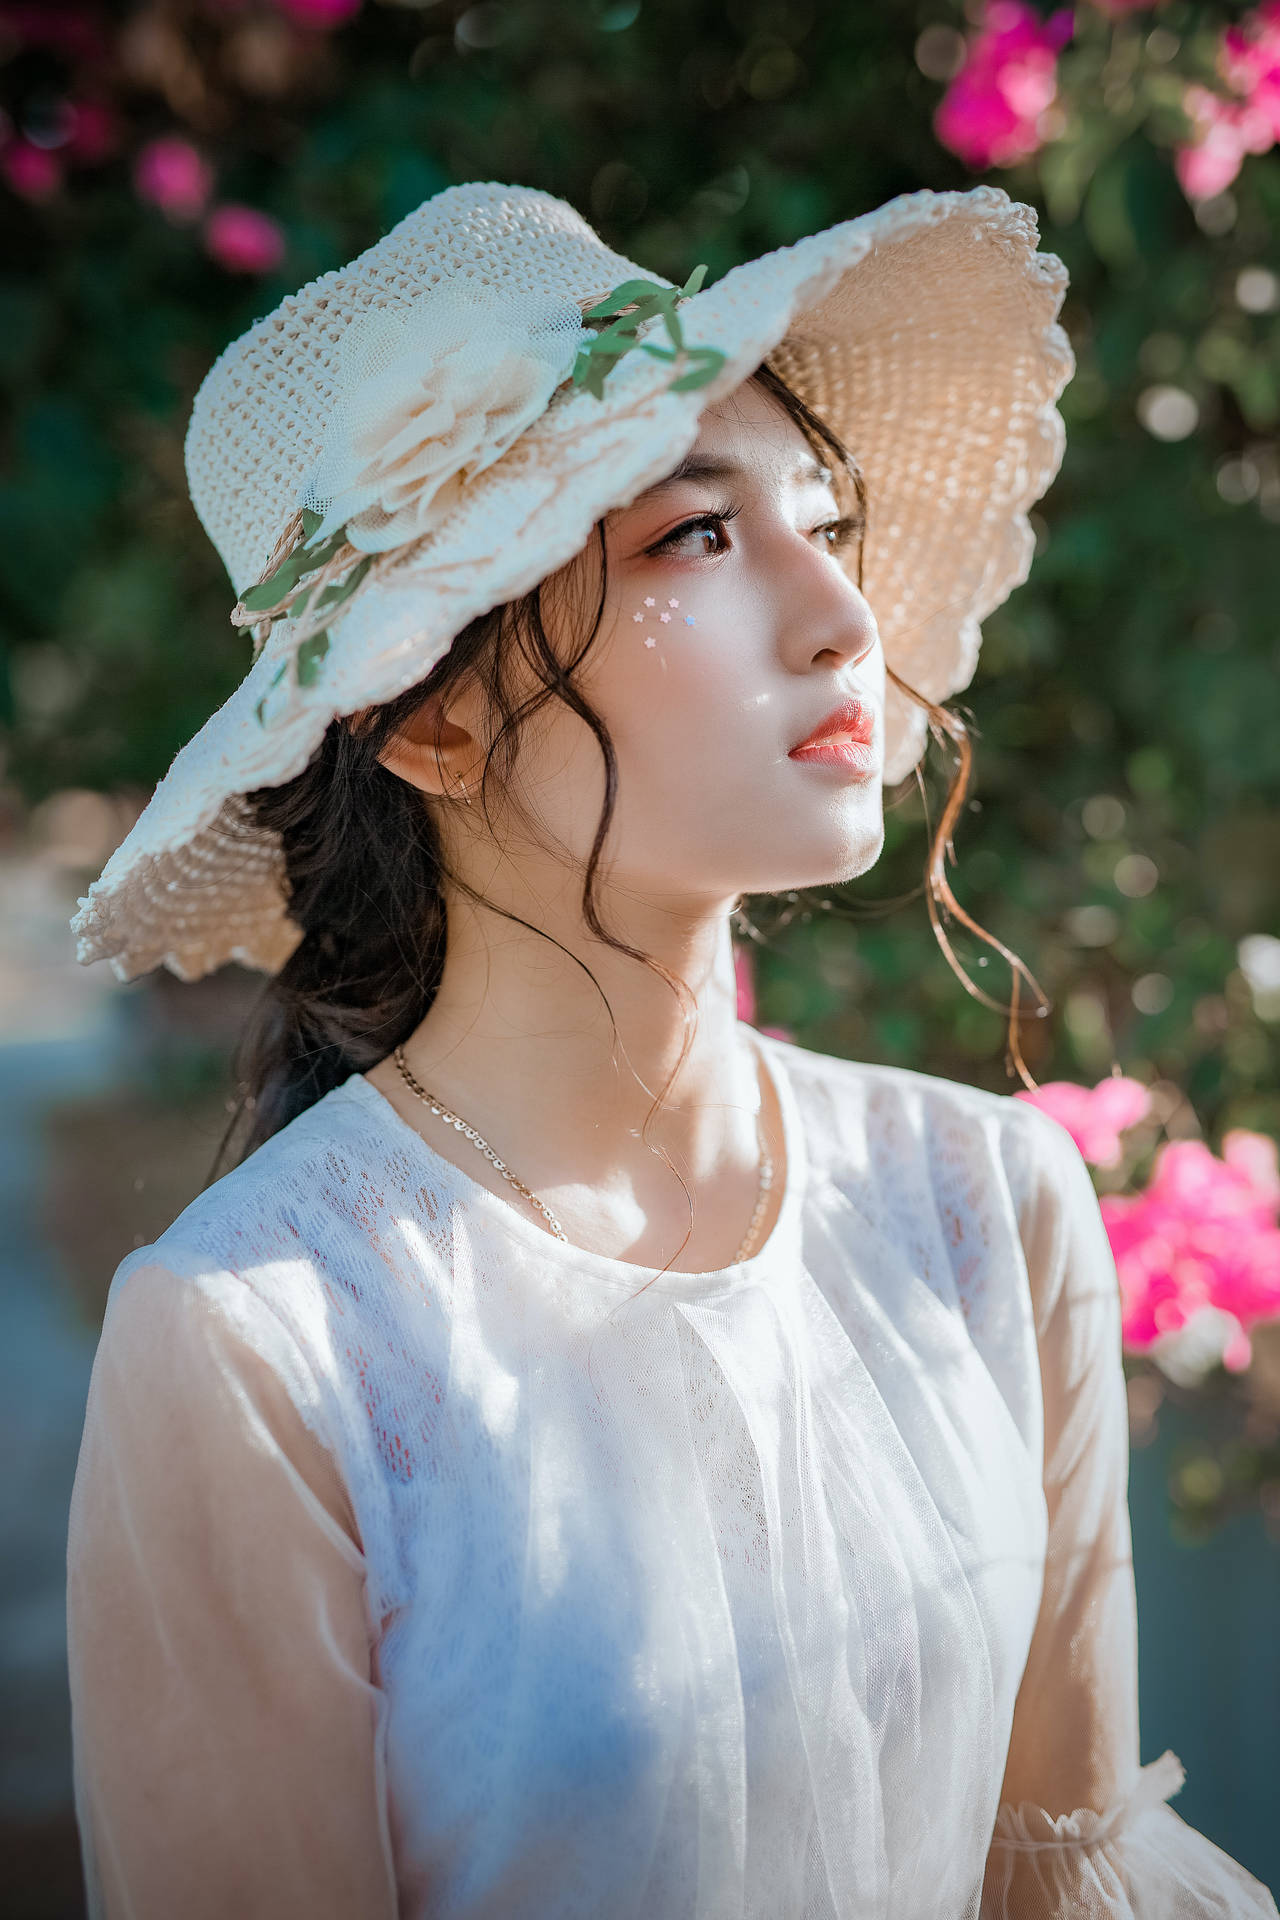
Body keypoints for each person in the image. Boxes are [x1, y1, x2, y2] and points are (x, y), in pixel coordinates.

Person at [64, 180, 1278, 1920]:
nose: (843, 614)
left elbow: (1059, 1879)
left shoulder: (983, 1204)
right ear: (433, 714)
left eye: (822, 517)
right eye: (695, 536)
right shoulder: (260, 1342)